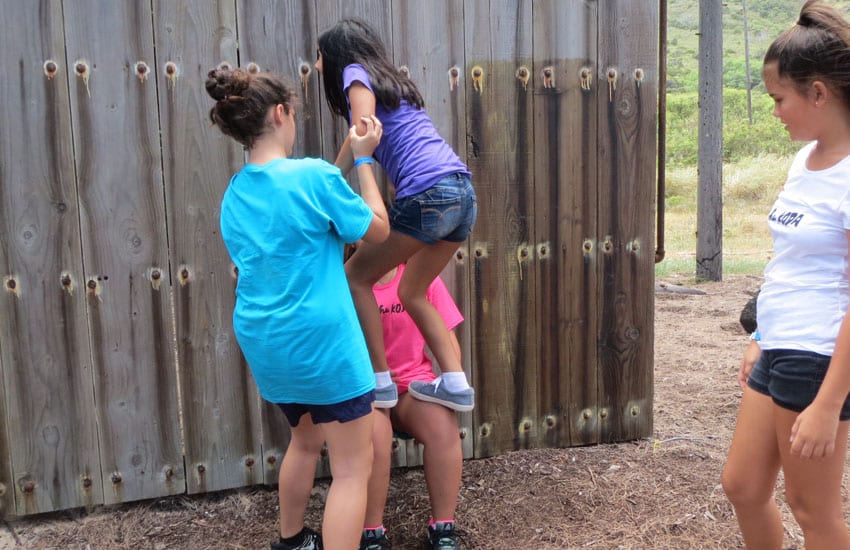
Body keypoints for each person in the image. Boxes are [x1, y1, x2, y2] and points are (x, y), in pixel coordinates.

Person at [205, 67, 389, 550]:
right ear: (281, 113)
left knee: (305, 442)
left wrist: (346, 155)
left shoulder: (236, 193)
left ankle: (291, 542)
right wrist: (365, 162)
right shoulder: (314, 177)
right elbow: (377, 229)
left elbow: (305, 203)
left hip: (269, 342)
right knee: (352, 468)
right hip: (323, 342)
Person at [721, 2, 850, 548]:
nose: (775, 112)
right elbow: (790, 265)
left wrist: (827, 405)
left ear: (818, 92)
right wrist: (760, 335)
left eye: (780, 99)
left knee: (811, 509)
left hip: (821, 357)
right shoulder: (807, 160)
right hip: (781, 345)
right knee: (743, 486)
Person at [314, 18, 477, 413]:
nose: (318, 66)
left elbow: (363, 131)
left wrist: (357, 163)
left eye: (319, 57)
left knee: (355, 276)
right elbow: (356, 138)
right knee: (412, 291)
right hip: (461, 193)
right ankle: (456, 383)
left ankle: (381, 382)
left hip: (427, 194)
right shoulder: (392, 85)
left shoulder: (354, 73)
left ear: (336, 56)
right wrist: (332, 179)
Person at [349, 257, 464, 550]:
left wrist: (450, 383)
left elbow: (448, 339)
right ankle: (371, 534)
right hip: (365, 389)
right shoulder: (344, 281)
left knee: (443, 426)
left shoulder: (418, 279)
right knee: (376, 437)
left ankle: (443, 530)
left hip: (411, 386)